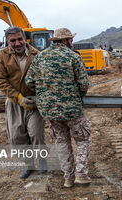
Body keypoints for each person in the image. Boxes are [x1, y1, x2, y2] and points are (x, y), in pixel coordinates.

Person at [25, 28, 91, 188]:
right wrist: (76, 96)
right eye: (71, 40)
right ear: (65, 41)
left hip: (50, 111)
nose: (72, 43)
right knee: (83, 139)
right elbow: (84, 84)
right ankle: (81, 175)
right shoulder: (73, 57)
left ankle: (68, 178)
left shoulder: (40, 57)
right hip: (72, 109)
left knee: (61, 142)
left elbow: (29, 81)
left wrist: (45, 93)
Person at [0, 26, 46, 179]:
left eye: (19, 39)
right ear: (8, 41)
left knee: (36, 134)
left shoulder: (37, 55)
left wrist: (39, 96)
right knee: (17, 136)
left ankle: (42, 162)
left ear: (25, 39)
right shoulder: (1, 56)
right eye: (13, 40)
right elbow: (0, 80)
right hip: (14, 102)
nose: (17, 43)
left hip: (33, 102)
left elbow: (44, 78)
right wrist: (18, 97)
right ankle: (29, 165)